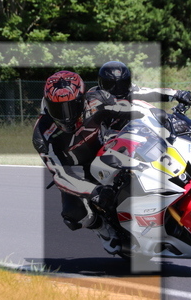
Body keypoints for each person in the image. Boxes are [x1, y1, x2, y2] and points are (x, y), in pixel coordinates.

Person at [32, 70, 141, 253]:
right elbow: (59, 175)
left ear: (82, 99)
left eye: (71, 106)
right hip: (78, 172)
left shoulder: (97, 99)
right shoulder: (42, 133)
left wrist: (164, 118)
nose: (66, 115)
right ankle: (103, 230)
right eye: (58, 108)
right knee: (73, 215)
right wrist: (94, 191)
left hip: (108, 149)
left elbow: (133, 110)